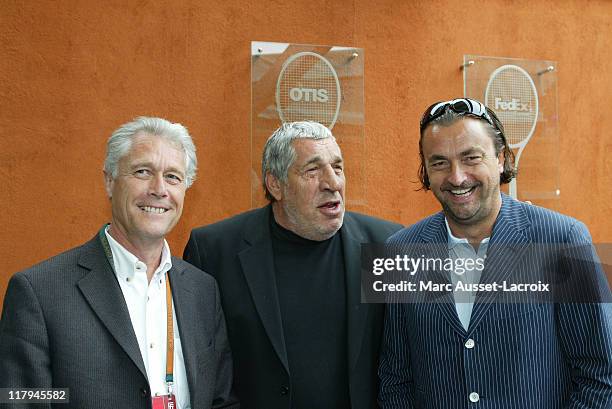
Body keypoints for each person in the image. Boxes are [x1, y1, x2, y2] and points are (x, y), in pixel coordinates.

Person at [378, 98, 612, 408]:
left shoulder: (563, 239)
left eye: (471, 157)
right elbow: (396, 380)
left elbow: (600, 374)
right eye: (439, 162)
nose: (457, 176)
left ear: (500, 159)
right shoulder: (400, 251)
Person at [0, 117, 238, 409]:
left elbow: (220, 400)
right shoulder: (39, 292)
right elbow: (21, 399)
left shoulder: (203, 290)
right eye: (142, 171)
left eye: (173, 177)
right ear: (110, 181)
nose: (159, 189)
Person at [184, 121, 402, 409]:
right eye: (312, 170)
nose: (333, 183)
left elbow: (421, 355)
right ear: (276, 184)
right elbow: (201, 367)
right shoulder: (214, 250)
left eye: (337, 168)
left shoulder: (387, 245)